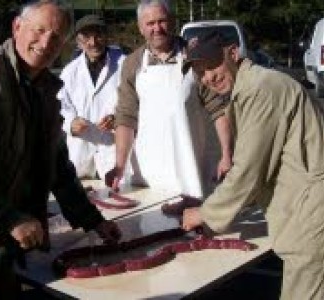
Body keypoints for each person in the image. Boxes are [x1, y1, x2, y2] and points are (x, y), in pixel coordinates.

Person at [0, 1, 121, 299]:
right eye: (39, 30)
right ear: (17, 27)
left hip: (1, 243)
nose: (45, 43)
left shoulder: (44, 90)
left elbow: (56, 165)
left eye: (56, 37)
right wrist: (9, 219)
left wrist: (93, 220)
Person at [182, 29, 324, 300]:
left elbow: (248, 170)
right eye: (200, 72)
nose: (208, 77)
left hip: (312, 214)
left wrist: (205, 213)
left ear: (233, 53)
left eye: (212, 65)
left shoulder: (261, 89)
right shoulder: (250, 88)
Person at [105, 0, 233, 197]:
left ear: (172, 22)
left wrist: (226, 155)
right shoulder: (132, 63)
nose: (157, 28)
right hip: (148, 170)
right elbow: (126, 117)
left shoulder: (193, 57)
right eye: (150, 23)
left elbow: (218, 109)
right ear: (140, 28)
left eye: (162, 21)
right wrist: (119, 165)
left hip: (191, 165)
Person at [58, 14, 126, 180]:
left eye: (98, 35)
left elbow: (135, 101)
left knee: (120, 198)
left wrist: (119, 118)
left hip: (114, 150)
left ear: (107, 36)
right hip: (80, 153)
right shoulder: (69, 71)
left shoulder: (124, 64)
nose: (93, 42)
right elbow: (60, 106)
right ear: (78, 41)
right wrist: (71, 123)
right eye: (86, 37)